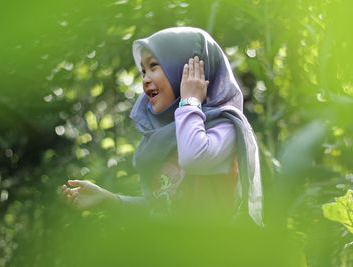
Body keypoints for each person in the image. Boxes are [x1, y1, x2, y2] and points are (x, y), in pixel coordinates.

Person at [62, 27, 263, 226]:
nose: (145, 78)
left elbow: (194, 158)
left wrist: (190, 100)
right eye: (143, 70)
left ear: (187, 69)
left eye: (154, 66)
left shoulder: (224, 127)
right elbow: (162, 210)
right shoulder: (167, 136)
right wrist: (109, 199)